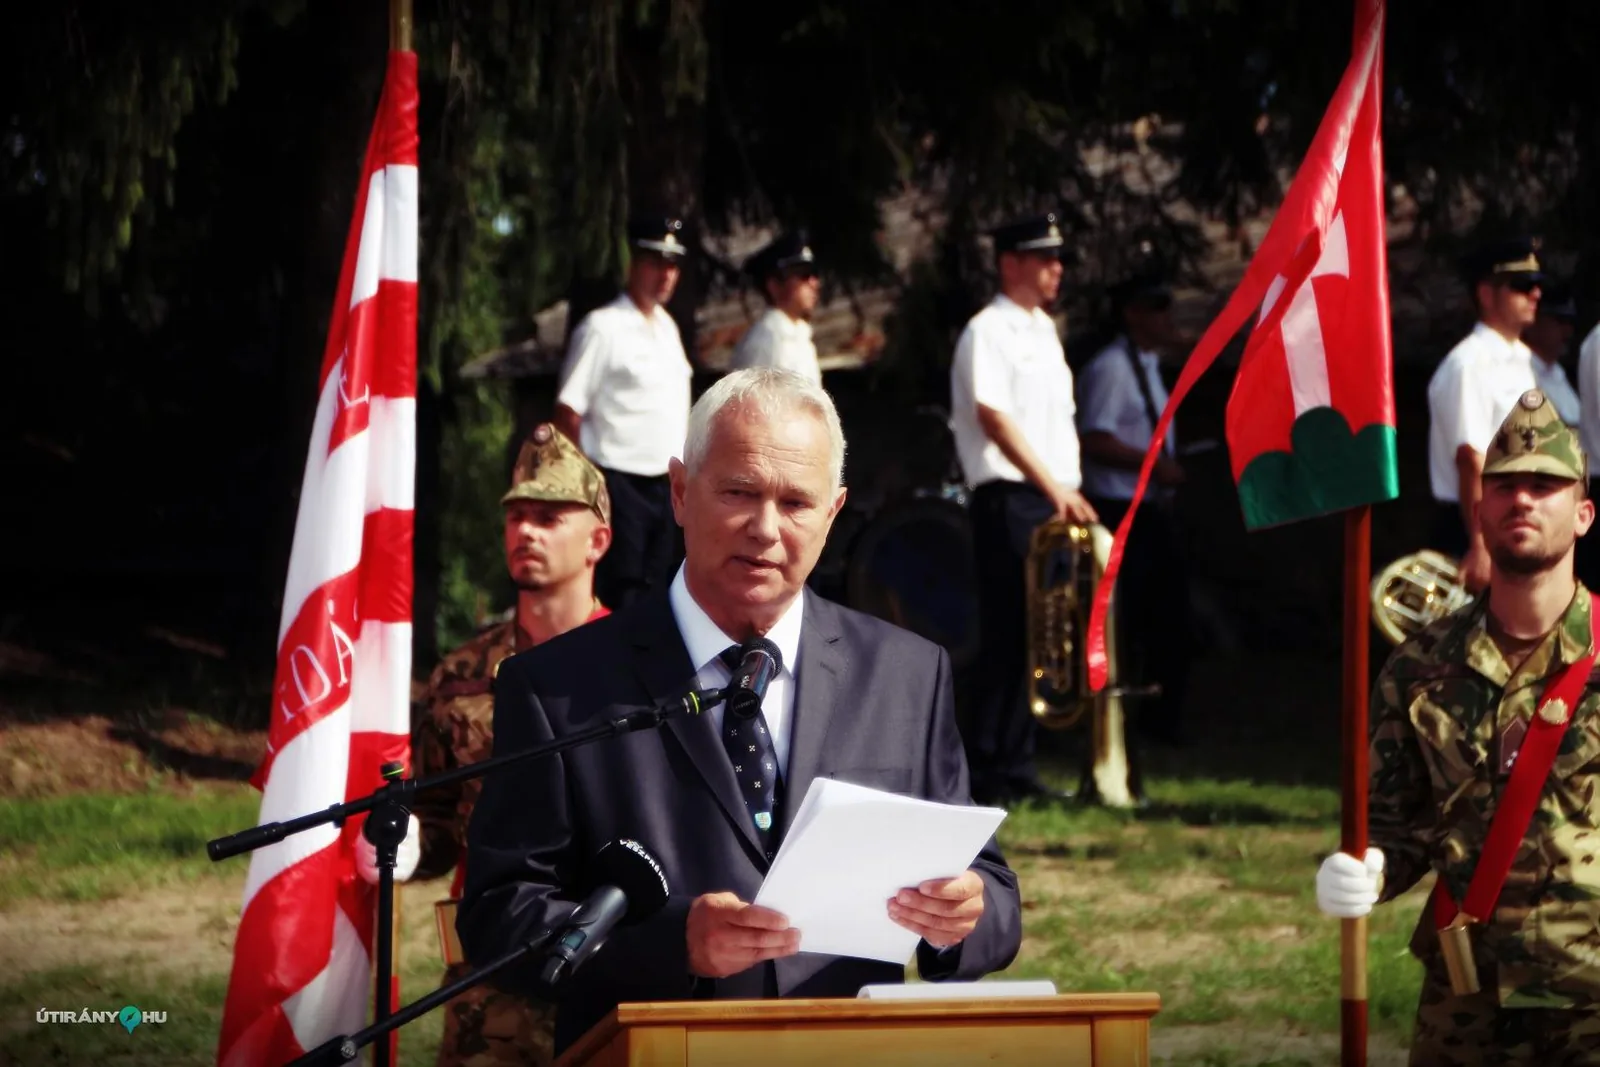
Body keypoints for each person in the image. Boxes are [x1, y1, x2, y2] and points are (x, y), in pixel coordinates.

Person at [458, 368, 1023, 1054]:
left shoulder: (905, 674)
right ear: (679, 491)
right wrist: (672, 940)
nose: (764, 528)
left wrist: (961, 914)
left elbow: (992, 895)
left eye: (795, 503)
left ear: (834, 513)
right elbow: (497, 915)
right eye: (739, 492)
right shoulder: (558, 686)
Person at [1316, 389, 1600, 1065]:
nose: (1521, 500)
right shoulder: (1421, 666)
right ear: (1480, 510)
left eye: (1544, 484)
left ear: (1583, 512)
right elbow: (1394, 820)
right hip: (1466, 1000)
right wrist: (1370, 867)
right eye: (1503, 486)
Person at [355, 424, 613, 1067]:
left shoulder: (642, 668)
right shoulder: (463, 675)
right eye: (517, 516)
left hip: (612, 973)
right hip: (490, 978)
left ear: (597, 541)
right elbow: (442, 823)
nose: (526, 531)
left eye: (550, 517)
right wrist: (405, 845)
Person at [948, 212, 1094, 805]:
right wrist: (1051, 487)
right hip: (1013, 495)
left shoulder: (1042, 331)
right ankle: (985, 766)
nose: (1056, 268)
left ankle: (1018, 761)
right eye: (1043, 257)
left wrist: (1064, 490)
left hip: (1051, 497)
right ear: (1011, 263)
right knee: (1012, 631)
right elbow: (995, 418)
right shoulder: (989, 330)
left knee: (1044, 637)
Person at [1076, 269, 1192, 747]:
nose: (1167, 318)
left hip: (1147, 504)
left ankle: (1160, 720)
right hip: (1120, 504)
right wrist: (1152, 464)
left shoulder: (1144, 365)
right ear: (1132, 315)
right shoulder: (1111, 368)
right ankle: (1133, 723)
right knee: (1134, 618)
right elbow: (1096, 436)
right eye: (1156, 308)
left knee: (1167, 616)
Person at [554, 214, 693, 609]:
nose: (665, 274)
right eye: (654, 262)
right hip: (618, 483)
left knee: (664, 592)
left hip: (665, 485)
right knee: (620, 592)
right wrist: (585, 489)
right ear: (632, 264)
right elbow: (568, 411)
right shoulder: (603, 327)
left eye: (673, 265)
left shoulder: (668, 329)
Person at [1425, 237, 1543, 591]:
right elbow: (1470, 459)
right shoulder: (1469, 364)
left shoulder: (1523, 362)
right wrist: (1480, 544)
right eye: (1522, 285)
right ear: (1487, 294)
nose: (1536, 294)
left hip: (1517, 520)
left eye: (1537, 285)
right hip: (1475, 526)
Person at [729, 230, 823, 383]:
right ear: (774, 285)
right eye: (803, 275)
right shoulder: (764, 342)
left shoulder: (799, 337)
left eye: (814, 274)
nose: (814, 283)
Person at [1524, 280, 1580, 424]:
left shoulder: (1558, 373)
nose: (1568, 331)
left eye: (1570, 322)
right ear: (1533, 321)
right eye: (1559, 321)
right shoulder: (1519, 373)